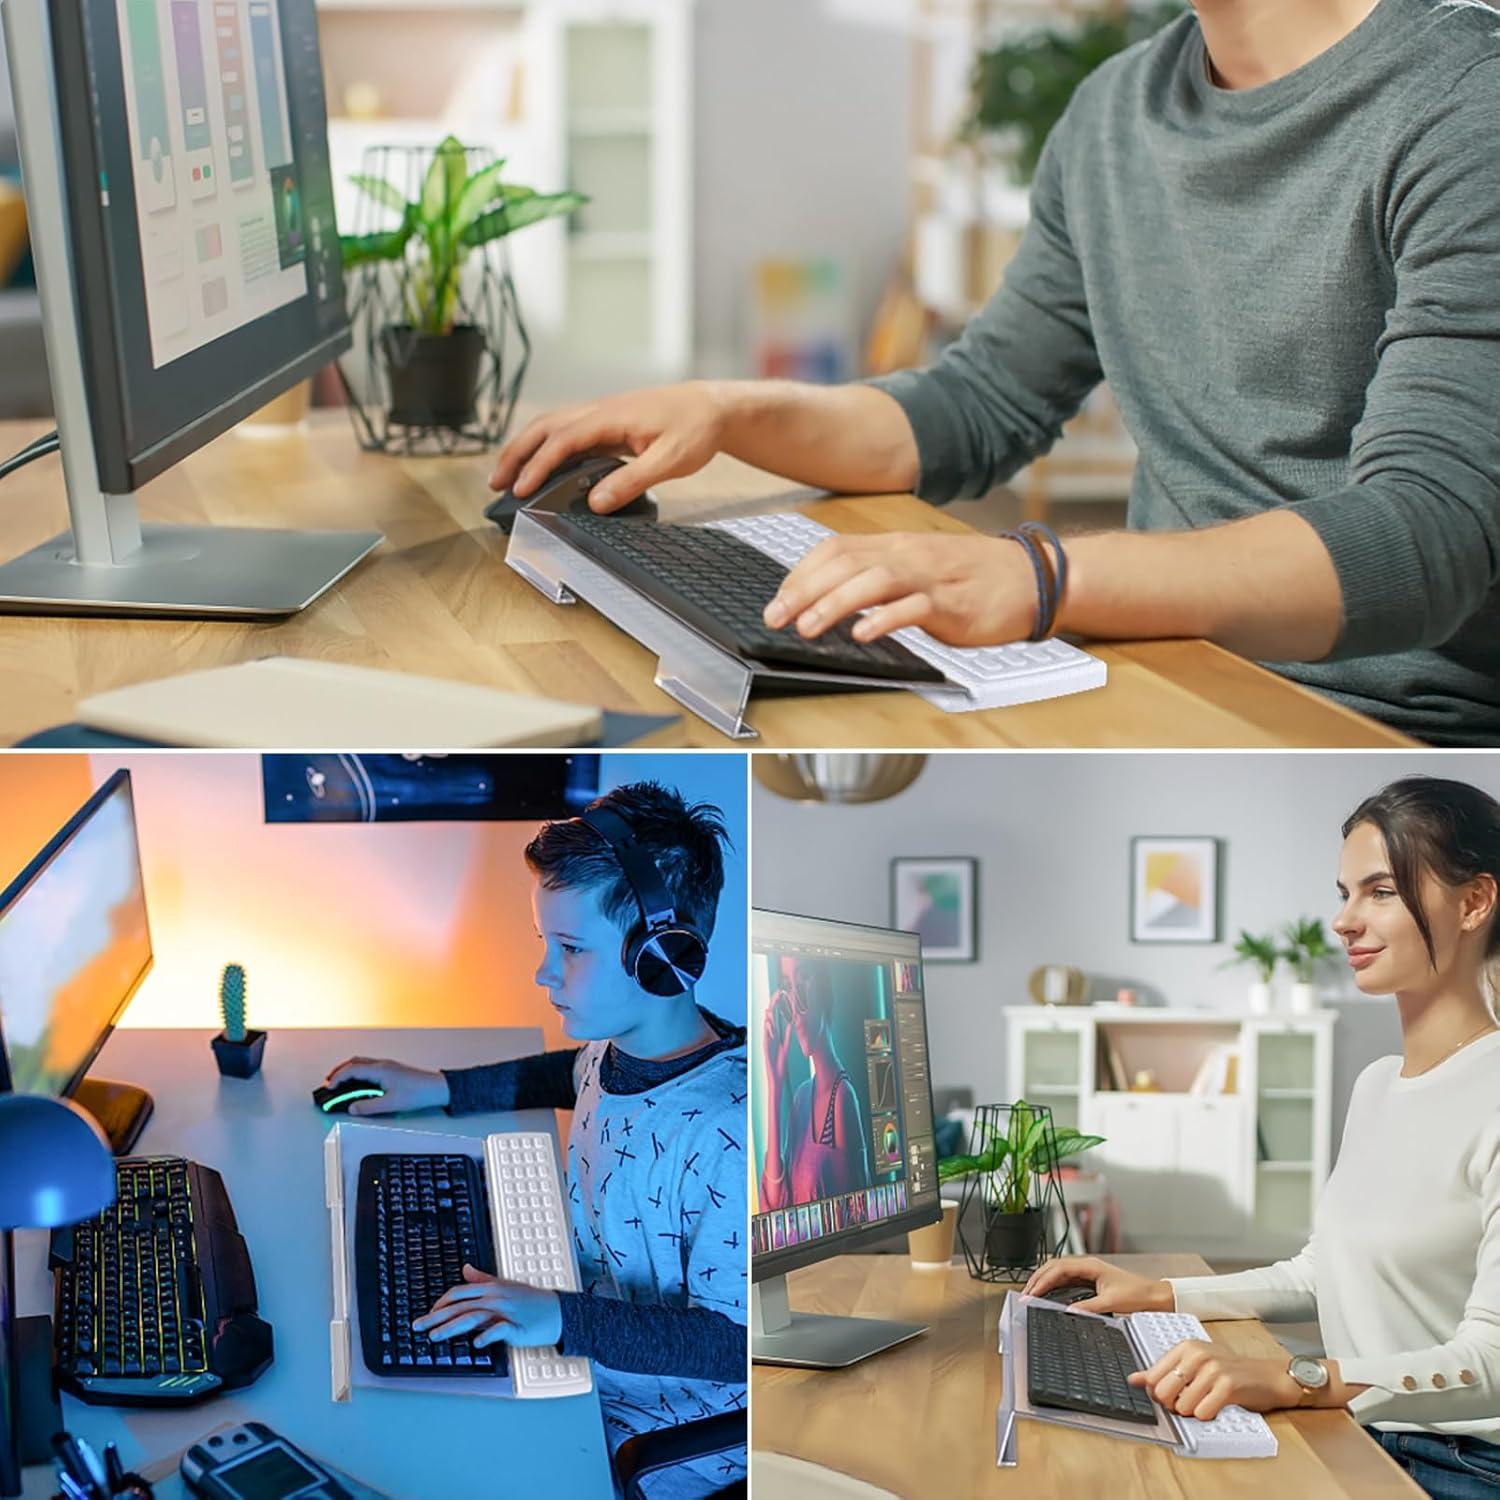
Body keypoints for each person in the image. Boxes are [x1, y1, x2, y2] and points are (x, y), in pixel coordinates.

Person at [488, 0, 1500, 746]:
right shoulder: (1112, 115)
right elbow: (982, 403)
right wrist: (724, 408)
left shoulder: (1467, 103)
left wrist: (1042, 576)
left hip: (1380, 735)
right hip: (1162, 673)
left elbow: (1425, 539)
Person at [1025, 775, 1500, 1500]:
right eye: (1343, 892)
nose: (1344, 920)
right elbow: (1322, 1272)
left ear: (1474, 902)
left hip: (1461, 1464)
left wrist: (1296, 1379)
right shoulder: (1377, 1085)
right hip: (1364, 1429)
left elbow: (1492, 1359)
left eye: (1380, 891)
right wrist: (1158, 1293)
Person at [321, 781, 747, 1499]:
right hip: (583, 1352)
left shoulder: (725, 1136)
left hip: (657, 1439)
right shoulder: (620, 1048)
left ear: (662, 956)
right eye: (547, 942)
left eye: (572, 948)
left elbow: (738, 1345)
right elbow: (570, 1075)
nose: (544, 973)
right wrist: (442, 1087)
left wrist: (559, 1316)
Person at [758, 955, 870, 1209]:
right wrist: (774, 1089)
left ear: (824, 988)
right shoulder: (801, 1097)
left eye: (803, 980)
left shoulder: (842, 1097)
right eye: (788, 986)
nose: (796, 1005)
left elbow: (855, 1218)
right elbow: (775, 1206)